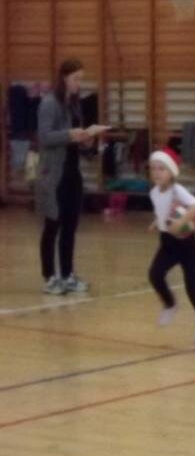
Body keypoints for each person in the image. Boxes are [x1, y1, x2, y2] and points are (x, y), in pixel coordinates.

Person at [36, 59, 108, 295]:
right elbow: (45, 137)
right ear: (64, 77)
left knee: (70, 226)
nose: (79, 83)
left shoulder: (74, 105)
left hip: (72, 173)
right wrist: (70, 134)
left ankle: (67, 275)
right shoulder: (49, 103)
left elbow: (76, 142)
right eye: (76, 78)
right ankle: (49, 277)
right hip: (54, 174)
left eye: (81, 79)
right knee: (52, 225)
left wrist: (87, 142)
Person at [148, 147, 195, 344]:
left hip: (186, 245)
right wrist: (157, 222)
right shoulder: (153, 193)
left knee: (193, 287)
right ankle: (170, 304)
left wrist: (182, 221)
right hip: (167, 243)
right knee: (155, 274)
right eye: (153, 168)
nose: (157, 172)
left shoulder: (178, 191)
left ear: (171, 172)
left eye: (162, 168)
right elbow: (163, 211)